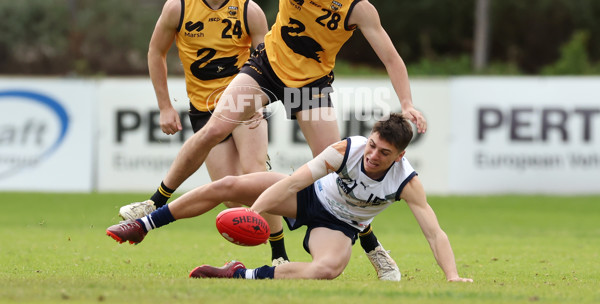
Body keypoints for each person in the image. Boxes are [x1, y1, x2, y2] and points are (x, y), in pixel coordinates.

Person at [118, 0, 426, 280]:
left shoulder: (358, 6)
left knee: (340, 174)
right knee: (213, 128)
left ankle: (373, 249)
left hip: (309, 86)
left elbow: (391, 58)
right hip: (266, 70)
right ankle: (154, 202)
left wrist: (407, 103)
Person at [106, 114, 472, 283]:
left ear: (400, 156)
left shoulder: (406, 181)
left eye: (384, 152)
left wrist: (452, 277)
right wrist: (254, 212)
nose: (373, 155)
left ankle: (240, 274)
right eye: (373, 145)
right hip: (310, 197)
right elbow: (294, 181)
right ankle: (143, 224)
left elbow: (433, 232)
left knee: (327, 270)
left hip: (341, 225)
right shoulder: (347, 149)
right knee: (229, 185)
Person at [119, 0, 288, 265]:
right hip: (203, 109)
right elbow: (155, 52)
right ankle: (290, 213)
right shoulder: (178, 5)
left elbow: (266, 62)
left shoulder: (249, 10)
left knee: (254, 172)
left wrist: (261, 99)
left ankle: (279, 255)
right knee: (230, 194)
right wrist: (166, 106)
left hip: (242, 104)